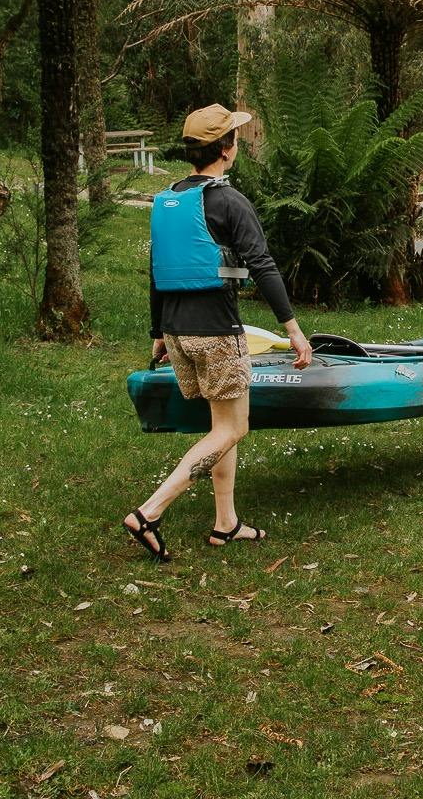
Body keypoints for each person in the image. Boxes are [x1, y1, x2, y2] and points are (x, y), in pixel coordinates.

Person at [122, 103, 311, 561]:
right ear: (225, 149)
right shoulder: (229, 202)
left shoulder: (167, 200)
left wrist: (158, 332)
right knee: (233, 427)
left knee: (221, 425)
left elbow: (157, 270)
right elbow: (262, 266)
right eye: (235, 138)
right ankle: (150, 511)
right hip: (216, 331)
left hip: (178, 331)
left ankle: (226, 523)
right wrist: (295, 330)